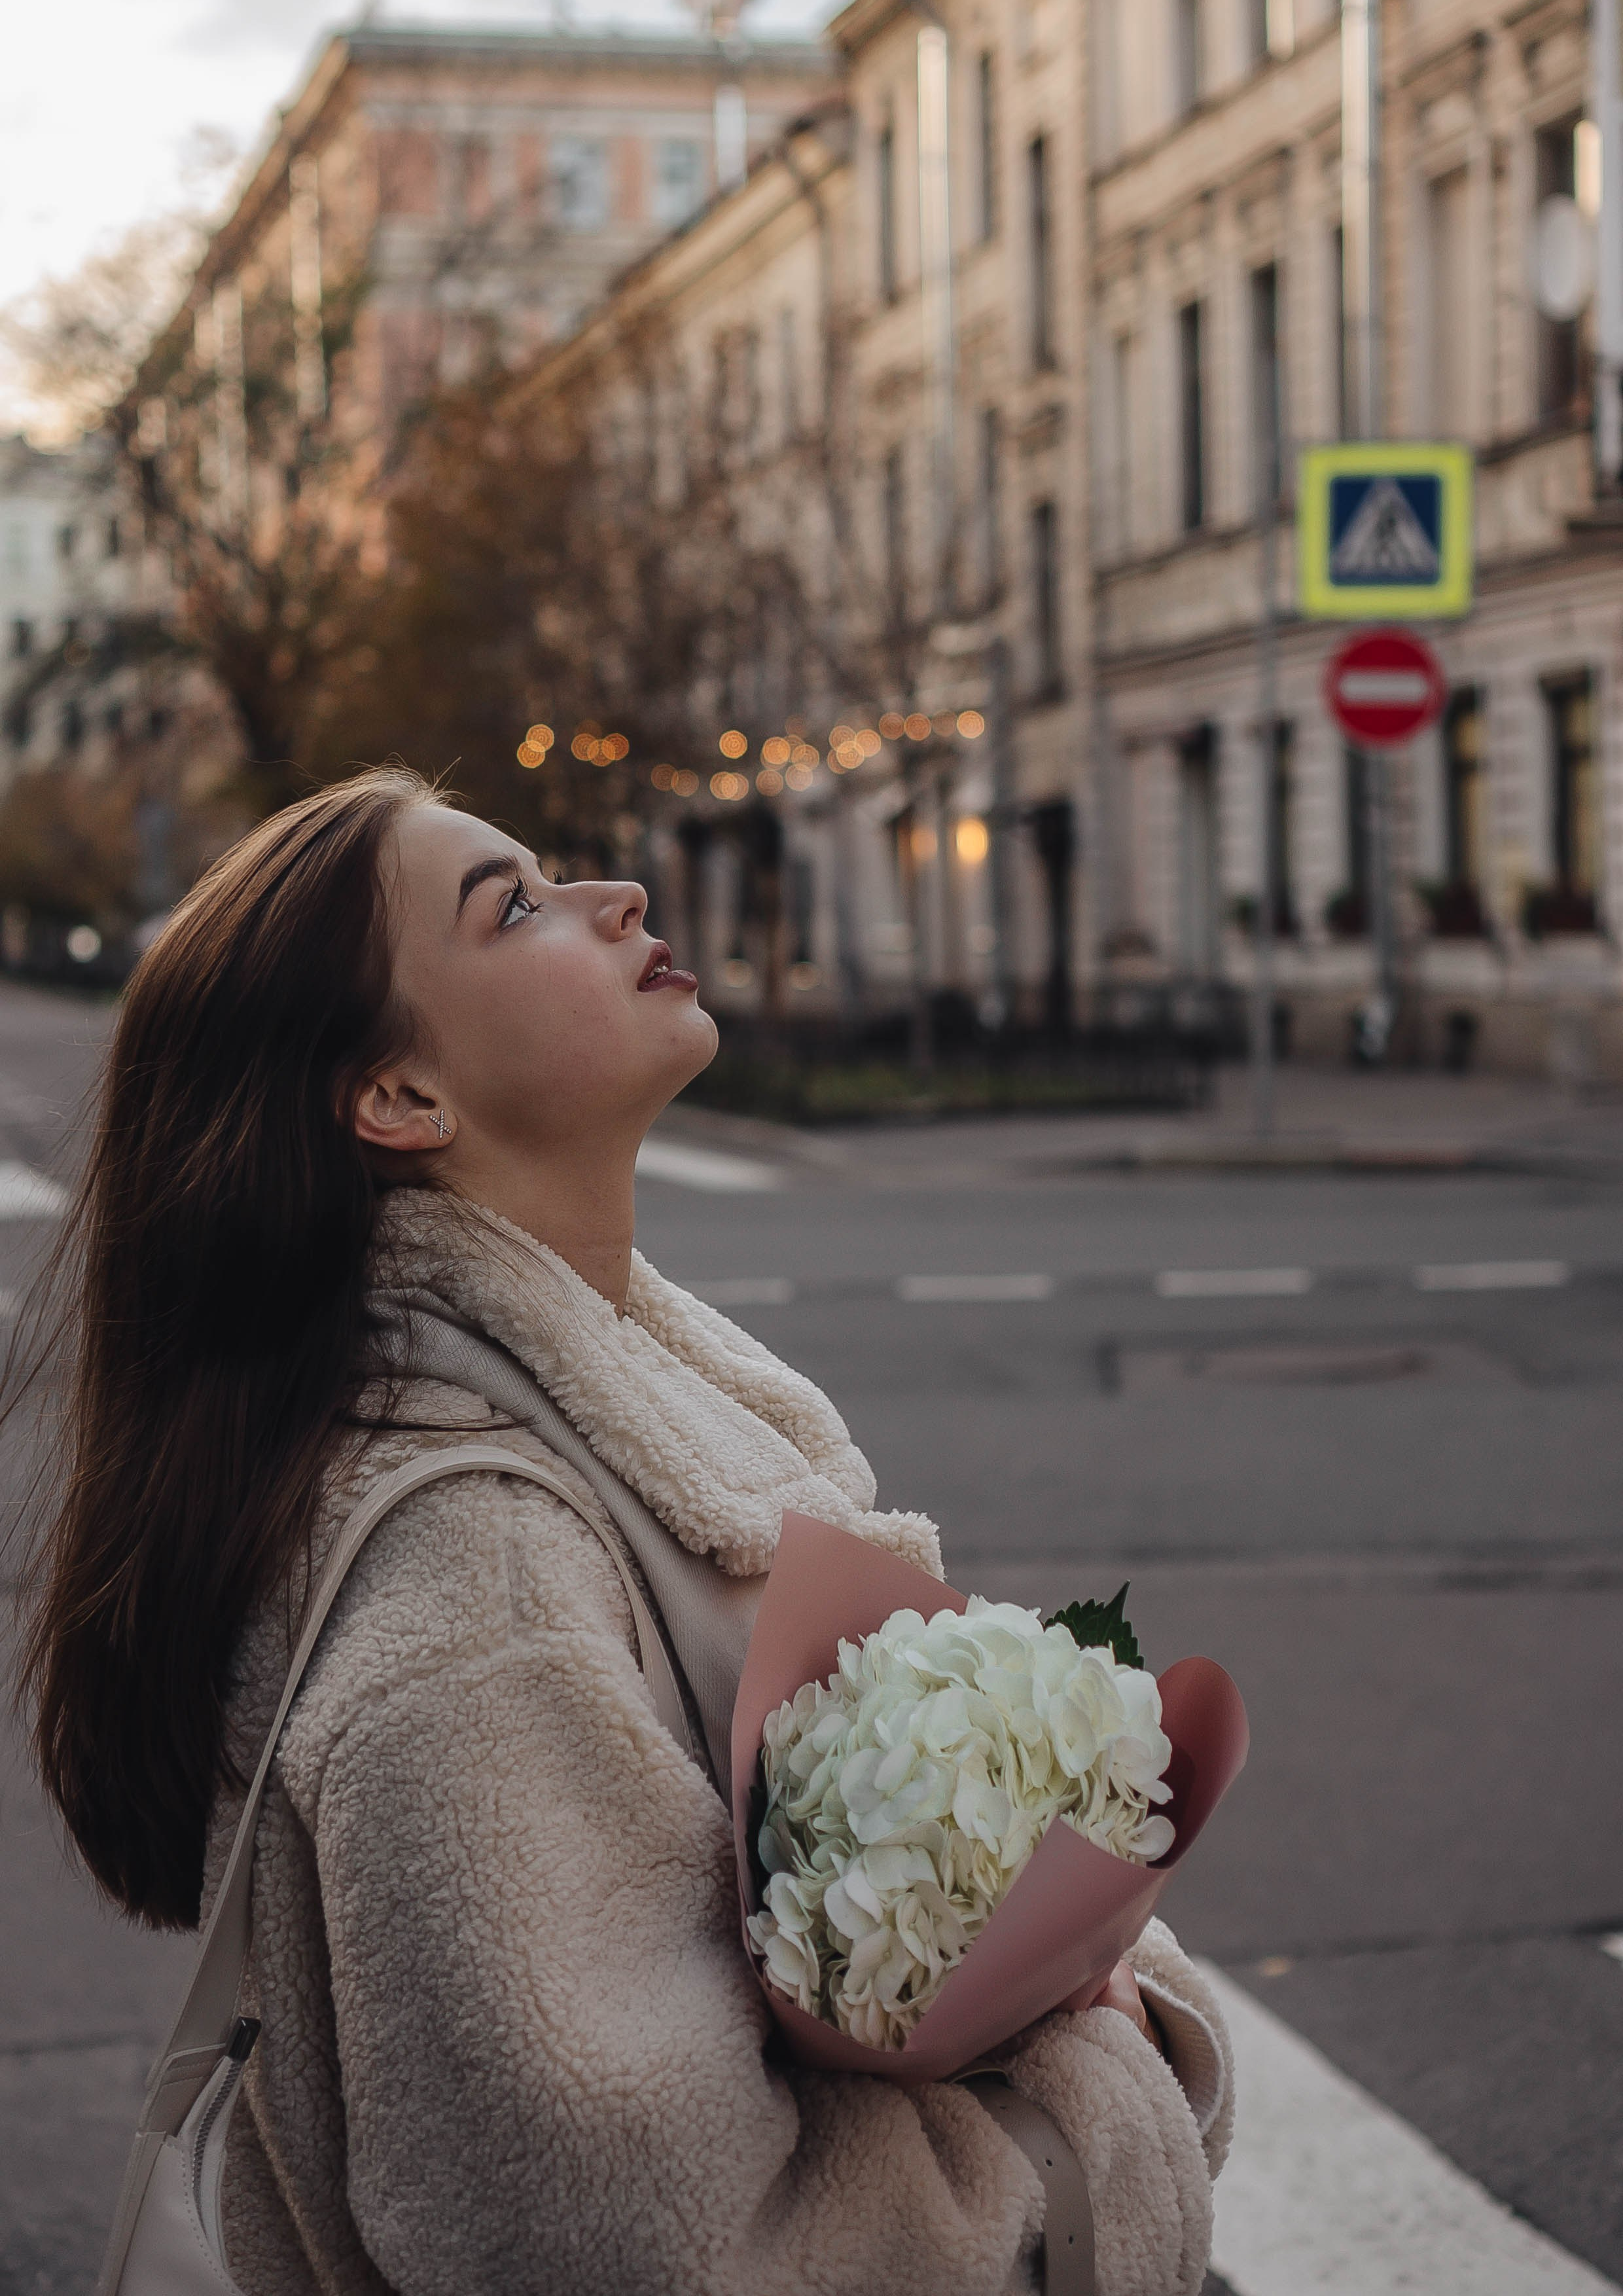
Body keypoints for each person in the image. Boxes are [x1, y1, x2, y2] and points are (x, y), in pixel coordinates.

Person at [19, 768, 1233, 2296]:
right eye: (514, 907)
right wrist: (1098, 2104)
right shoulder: (483, 1580)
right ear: (399, 1098)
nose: (618, 900)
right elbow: (648, 2248)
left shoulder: (615, 1430)